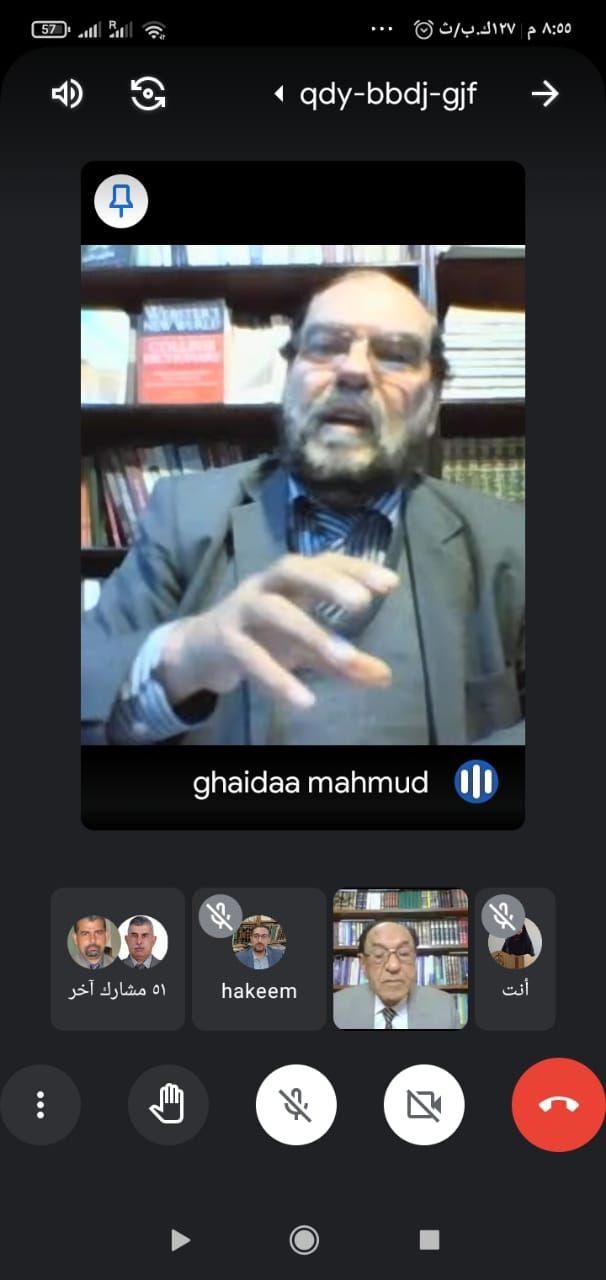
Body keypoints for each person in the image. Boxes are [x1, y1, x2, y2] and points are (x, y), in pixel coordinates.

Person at [82, 268, 524, 747]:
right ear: (287, 380)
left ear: (431, 406)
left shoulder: (507, 540)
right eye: (326, 346)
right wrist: (184, 655)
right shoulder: (183, 516)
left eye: (395, 355)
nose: (353, 371)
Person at [333, 921, 459, 1029]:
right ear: (363, 964)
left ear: (414, 959)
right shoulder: (336, 1007)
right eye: (379, 955)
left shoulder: (444, 1007)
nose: (393, 966)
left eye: (404, 954)